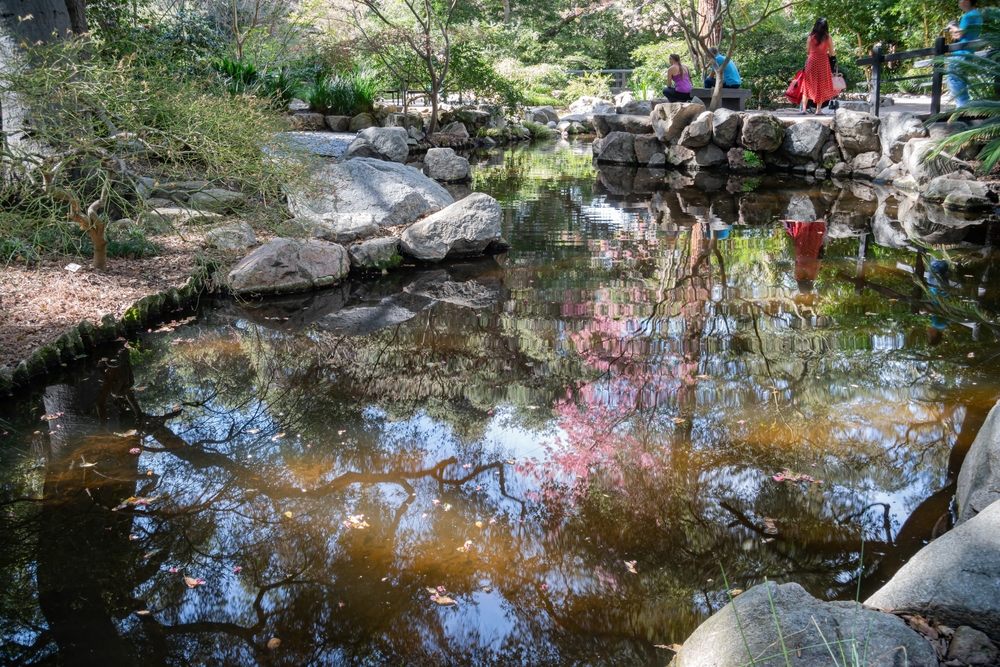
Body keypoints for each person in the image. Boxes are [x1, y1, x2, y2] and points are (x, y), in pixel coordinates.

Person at [947, 0, 983, 108]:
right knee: (961, 78)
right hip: (969, 52)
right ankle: (964, 105)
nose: (958, 2)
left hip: (961, 51)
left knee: (954, 77)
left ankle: (962, 106)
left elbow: (958, 35)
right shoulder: (978, 14)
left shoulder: (968, 16)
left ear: (967, 2)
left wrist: (952, 28)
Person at [800, 18, 837, 115]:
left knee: (807, 85)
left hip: (812, 62)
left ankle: (803, 109)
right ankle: (818, 110)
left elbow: (808, 52)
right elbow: (832, 53)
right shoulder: (828, 37)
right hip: (823, 63)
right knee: (821, 84)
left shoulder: (810, 37)